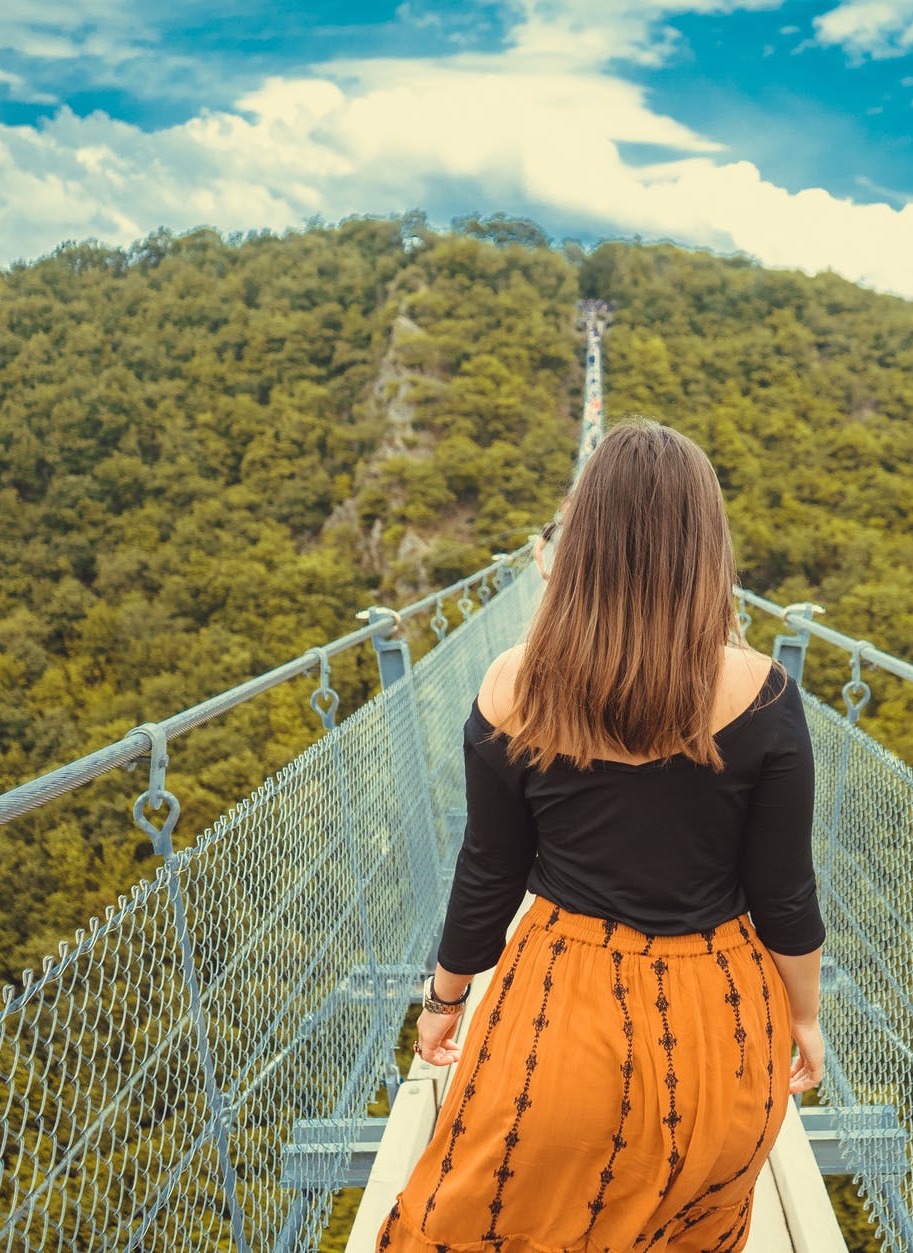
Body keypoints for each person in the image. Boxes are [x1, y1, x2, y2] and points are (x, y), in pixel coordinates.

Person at [376, 417, 827, 1252]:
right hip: (723, 1030)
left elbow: (489, 869)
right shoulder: (763, 690)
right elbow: (785, 893)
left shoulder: (513, 683)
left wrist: (444, 998)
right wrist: (804, 1016)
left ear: (576, 543)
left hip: (559, 1016)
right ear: (706, 548)